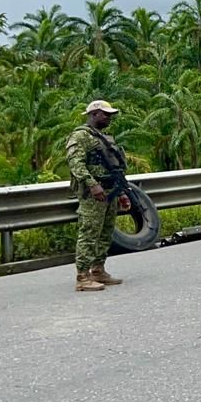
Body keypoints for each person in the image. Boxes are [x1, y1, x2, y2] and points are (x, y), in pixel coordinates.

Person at [66, 100, 128, 292]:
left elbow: (114, 167)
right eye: (105, 114)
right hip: (93, 194)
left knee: (105, 233)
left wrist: (122, 193)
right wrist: (92, 184)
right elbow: (75, 163)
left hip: (110, 192)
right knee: (89, 233)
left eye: (110, 114)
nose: (109, 118)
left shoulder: (105, 138)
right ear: (93, 114)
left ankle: (98, 270)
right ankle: (82, 277)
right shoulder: (80, 136)